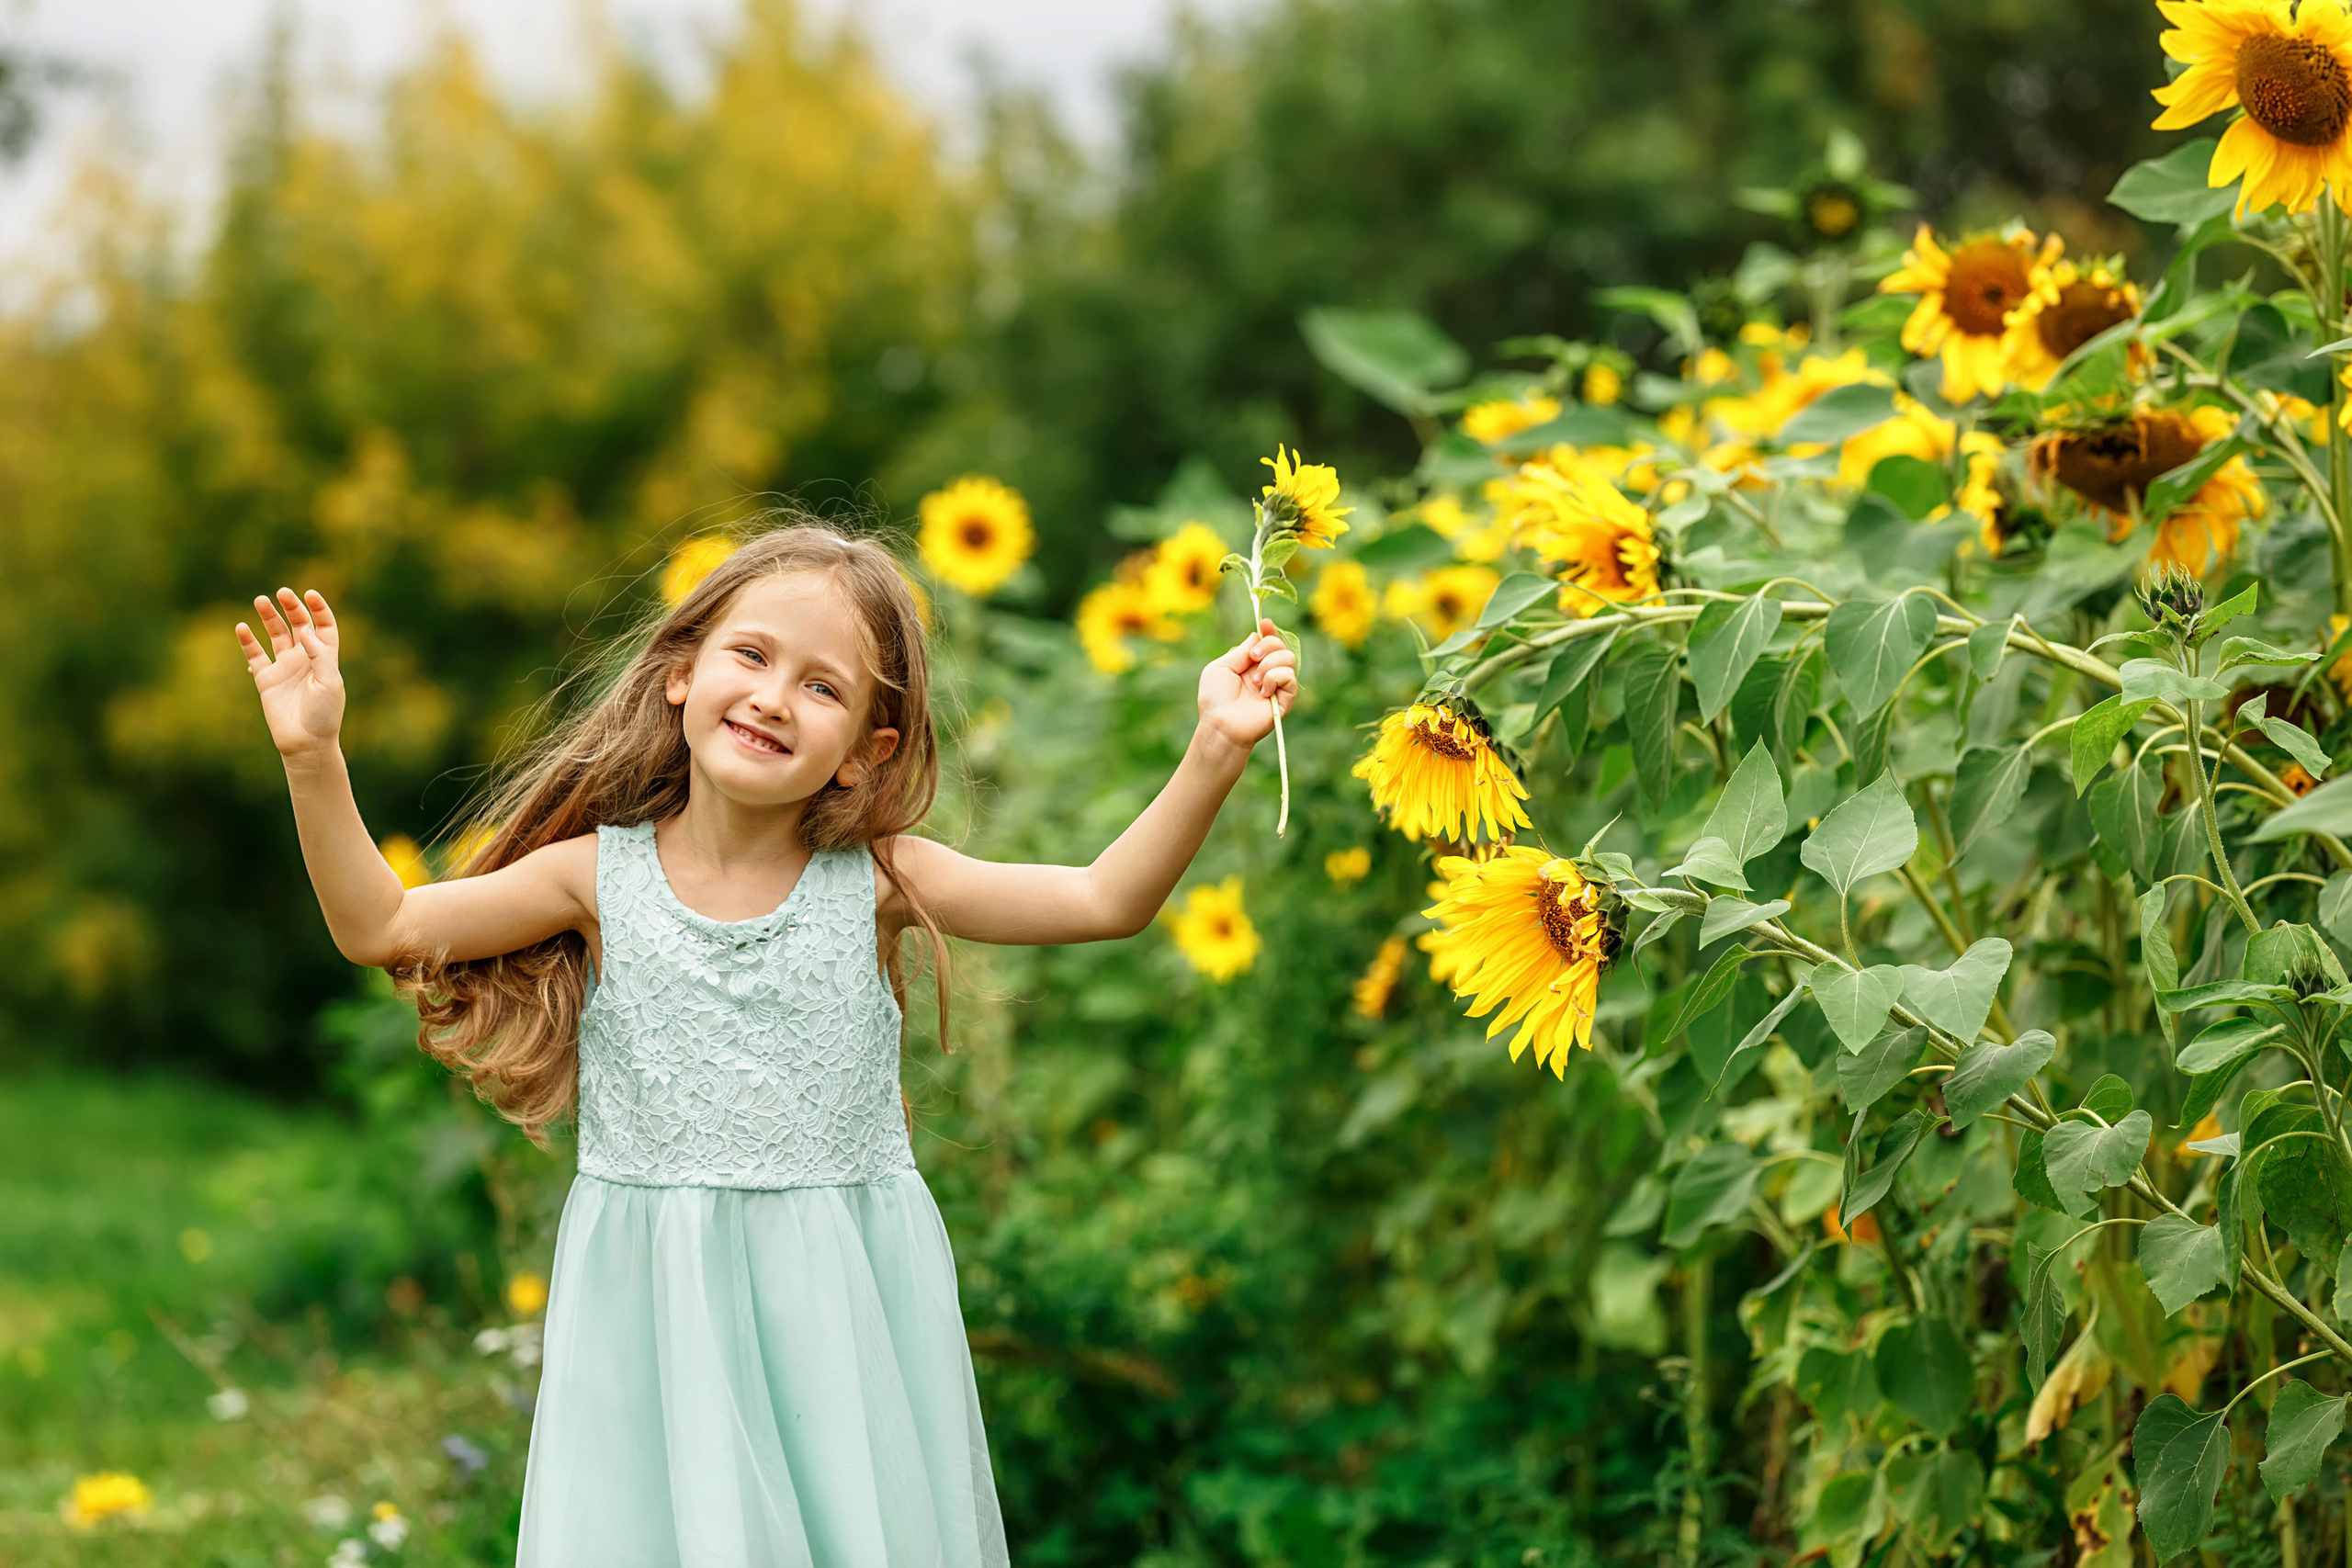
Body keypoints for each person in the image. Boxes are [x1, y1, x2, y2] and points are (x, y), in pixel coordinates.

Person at [236, 521, 1298, 1566]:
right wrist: (313, 754)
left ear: (863, 755)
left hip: (843, 1309)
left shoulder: (881, 879)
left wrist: (1214, 745)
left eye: (823, 687)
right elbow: (382, 927)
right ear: (681, 675)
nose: (774, 697)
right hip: (655, 1314)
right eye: (751, 655)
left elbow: (1104, 898)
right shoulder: (591, 879)